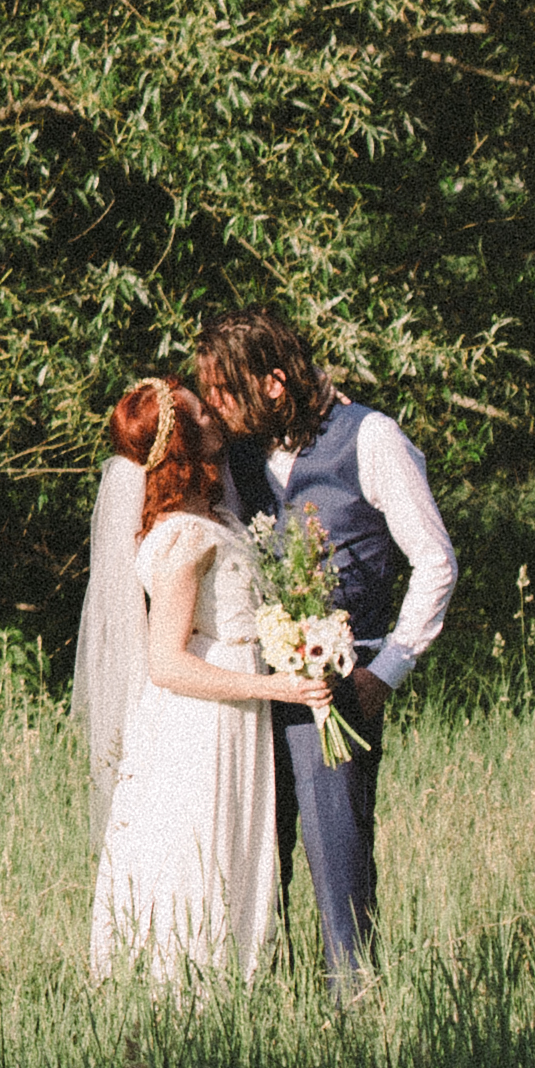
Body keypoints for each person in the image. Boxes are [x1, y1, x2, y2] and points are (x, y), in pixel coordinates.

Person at [196, 308, 457, 989]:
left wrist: (387, 671)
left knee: (337, 849)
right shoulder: (240, 454)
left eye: (226, 391)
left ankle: (354, 998)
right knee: (254, 850)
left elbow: (435, 561)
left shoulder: (370, 439)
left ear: (274, 382)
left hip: (340, 686)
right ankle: (261, 990)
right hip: (254, 688)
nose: (216, 409)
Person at [78, 376, 325, 982]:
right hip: (204, 723)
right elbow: (166, 663)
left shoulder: (208, 514)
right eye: (199, 411)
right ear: (187, 442)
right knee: (202, 847)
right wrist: (276, 687)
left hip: (233, 710)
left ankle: (234, 978)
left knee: (233, 848)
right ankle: (190, 988)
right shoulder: (184, 537)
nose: (215, 412)